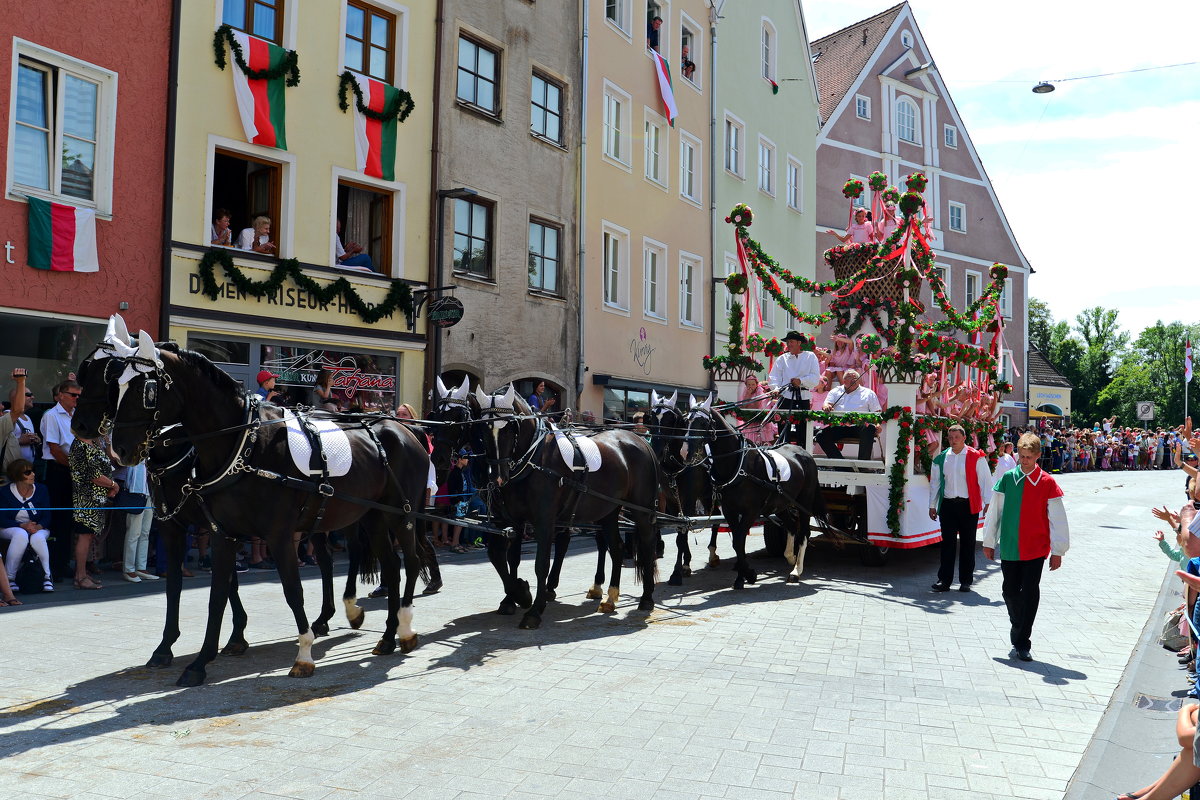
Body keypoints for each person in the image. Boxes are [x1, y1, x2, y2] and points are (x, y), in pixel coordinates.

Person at [981, 432, 1069, 661]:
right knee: (1009, 591)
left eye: (1029, 456)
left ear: (1038, 456)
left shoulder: (1048, 482)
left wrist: (1058, 551)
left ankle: (1022, 642)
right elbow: (995, 513)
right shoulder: (1008, 479)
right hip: (1010, 546)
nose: (1025, 460)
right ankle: (1017, 624)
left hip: (1036, 549)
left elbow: (1057, 519)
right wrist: (989, 542)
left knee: (1030, 593)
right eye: (1021, 456)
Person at [928, 424, 993, 593]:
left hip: (968, 505)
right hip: (948, 505)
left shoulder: (976, 456)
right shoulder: (941, 458)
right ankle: (944, 580)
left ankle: (965, 581)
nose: (953, 440)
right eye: (950, 438)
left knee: (967, 544)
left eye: (957, 437)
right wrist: (932, 505)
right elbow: (935, 483)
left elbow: (985, 480)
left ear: (965, 438)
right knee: (947, 544)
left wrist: (988, 503)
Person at [41, 378, 79, 580]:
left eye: (79, 396)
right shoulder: (52, 415)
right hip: (58, 470)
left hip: (73, 470)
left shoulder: (77, 415)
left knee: (69, 521)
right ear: (61, 395)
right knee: (57, 520)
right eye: (73, 395)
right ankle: (53, 567)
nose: (76, 399)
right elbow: (54, 449)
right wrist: (76, 467)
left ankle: (63, 563)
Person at [69, 434, 117, 590]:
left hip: (98, 498)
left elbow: (110, 460)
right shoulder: (80, 446)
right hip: (85, 498)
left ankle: (82, 574)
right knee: (84, 535)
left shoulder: (95, 443)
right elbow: (93, 475)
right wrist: (113, 484)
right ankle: (80, 576)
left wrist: (107, 441)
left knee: (89, 536)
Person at [0, 458, 54, 593]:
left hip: (38, 527)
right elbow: (1, 518)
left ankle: (47, 577)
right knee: (20, 534)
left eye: (33, 471)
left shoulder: (42, 489)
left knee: (37, 538)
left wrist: (38, 527)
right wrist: (21, 525)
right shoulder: (4, 492)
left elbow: (47, 516)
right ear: (17, 475)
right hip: (10, 527)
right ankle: (9, 579)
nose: (33, 475)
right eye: (27, 473)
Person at [767, 331, 821, 446]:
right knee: (783, 429)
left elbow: (815, 378)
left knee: (803, 430)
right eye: (788, 342)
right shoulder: (782, 359)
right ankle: (783, 454)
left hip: (803, 397)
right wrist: (776, 388)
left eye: (791, 341)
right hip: (785, 396)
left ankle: (802, 457)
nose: (789, 344)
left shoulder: (810, 356)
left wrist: (801, 381)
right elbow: (774, 377)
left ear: (799, 342)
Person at [815, 369, 882, 460]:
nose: (853, 379)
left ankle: (863, 464)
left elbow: (876, 412)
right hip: (839, 426)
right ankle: (840, 464)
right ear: (844, 380)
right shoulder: (836, 391)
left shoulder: (868, 393)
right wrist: (827, 406)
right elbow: (827, 404)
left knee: (869, 428)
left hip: (859, 426)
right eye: (850, 377)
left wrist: (878, 424)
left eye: (856, 377)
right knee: (821, 436)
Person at [120, 460, 158, 583]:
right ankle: (128, 569)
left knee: (145, 532)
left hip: (150, 490)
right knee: (133, 532)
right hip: (135, 490)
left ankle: (141, 567)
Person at [1, 370, 33, 479]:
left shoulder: (28, 417)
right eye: (28, 395)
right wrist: (20, 381)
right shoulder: (3, 421)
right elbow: (17, 410)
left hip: (18, 473)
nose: (2, 406)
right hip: (6, 477)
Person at [738, 374, 777, 446]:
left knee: (759, 439)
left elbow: (757, 406)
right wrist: (748, 395)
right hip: (749, 419)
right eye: (749, 384)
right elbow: (744, 406)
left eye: (753, 384)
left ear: (756, 384)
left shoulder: (759, 391)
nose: (751, 386)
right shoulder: (745, 392)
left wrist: (750, 399)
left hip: (759, 419)